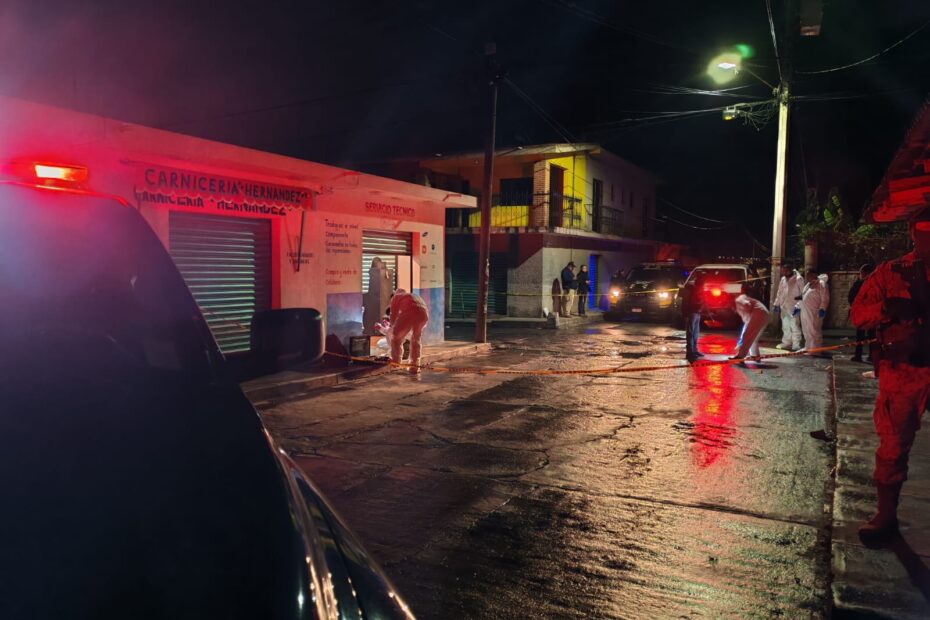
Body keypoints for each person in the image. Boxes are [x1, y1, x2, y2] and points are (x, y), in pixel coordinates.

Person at [850, 207, 930, 542]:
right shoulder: (891, 272)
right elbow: (858, 315)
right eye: (923, 228)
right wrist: (888, 309)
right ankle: (886, 516)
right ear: (912, 232)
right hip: (904, 372)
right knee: (893, 446)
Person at [388, 289, 429, 373]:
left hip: (410, 312)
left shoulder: (396, 297)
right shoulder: (414, 296)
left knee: (396, 338)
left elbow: (393, 315)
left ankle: (395, 361)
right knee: (415, 340)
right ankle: (414, 366)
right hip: (424, 315)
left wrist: (393, 327)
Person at [732, 284, 771, 363]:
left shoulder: (739, 299)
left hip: (758, 314)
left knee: (747, 335)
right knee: (754, 337)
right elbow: (746, 321)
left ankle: (740, 356)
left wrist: (742, 340)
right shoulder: (743, 299)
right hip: (764, 314)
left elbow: (747, 305)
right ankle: (755, 356)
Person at [793, 270, 830, 352]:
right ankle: (808, 347)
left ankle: (815, 349)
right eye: (807, 275)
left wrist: (822, 308)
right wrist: (797, 306)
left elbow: (825, 298)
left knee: (814, 330)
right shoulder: (808, 285)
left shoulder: (821, 284)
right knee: (806, 329)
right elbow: (803, 296)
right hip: (805, 311)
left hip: (814, 311)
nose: (807, 277)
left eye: (809, 275)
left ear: (814, 274)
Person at [773, 261, 805, 351]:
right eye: (783, 270)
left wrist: (798, 306)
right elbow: (780, 292)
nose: (784, 272)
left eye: (786, 270)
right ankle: (787, 342)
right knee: (785, 325)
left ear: (790, 270)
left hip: (794, 306)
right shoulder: (783, 279)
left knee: (795, 326)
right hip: (784, 306)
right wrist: (776, 304)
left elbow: (803, 294)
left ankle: (796, 344)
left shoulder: (798, 279)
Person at [848, 263, 876, 363]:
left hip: (862, 313)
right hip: (873, 313)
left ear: (864, 273)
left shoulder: (859, 284)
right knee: (872, 335)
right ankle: (873, 355)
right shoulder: (876, 284)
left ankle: (858, 355)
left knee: (860, 335)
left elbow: (851, 297)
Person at [679, 275, 704, 363]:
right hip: (692, 312)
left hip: (696, 312)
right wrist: (685, 314)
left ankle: (694, 350)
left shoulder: (696, 288)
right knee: (691, 332)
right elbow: (685, 302)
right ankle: (690, 352)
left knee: (695, 332)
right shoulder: (690, 288)